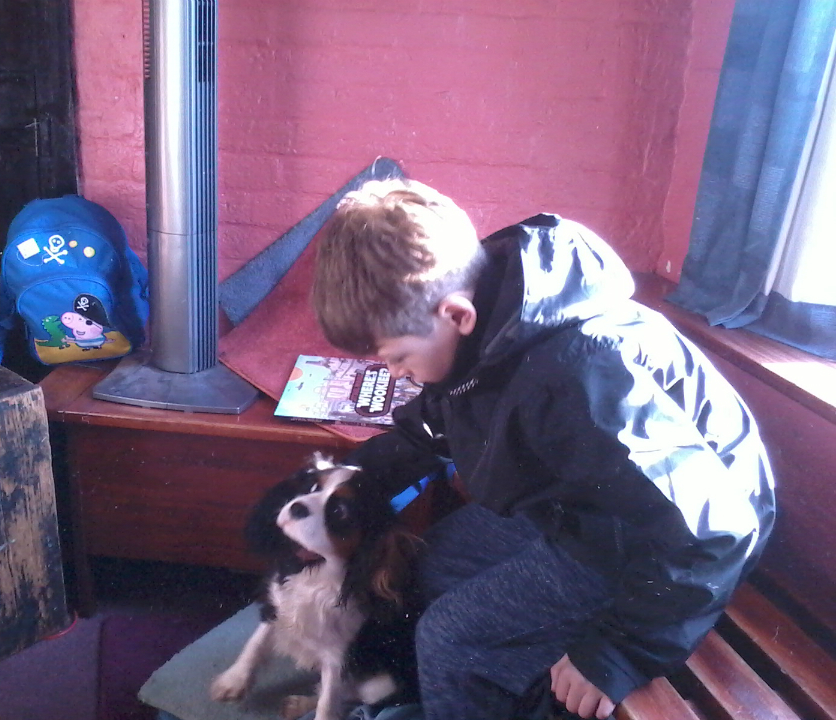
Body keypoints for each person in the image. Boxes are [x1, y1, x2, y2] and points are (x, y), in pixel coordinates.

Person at [310, 179, 776, 720]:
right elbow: (435, 424)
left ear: (457, 315)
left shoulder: (582, 374)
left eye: (396, 356)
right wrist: (349, 486)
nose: (392, 372)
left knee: (450, 639)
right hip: (582, 506)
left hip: (656, 540)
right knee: (431, 564)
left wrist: (619, 652)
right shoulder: (487, 332)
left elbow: (716, 526)